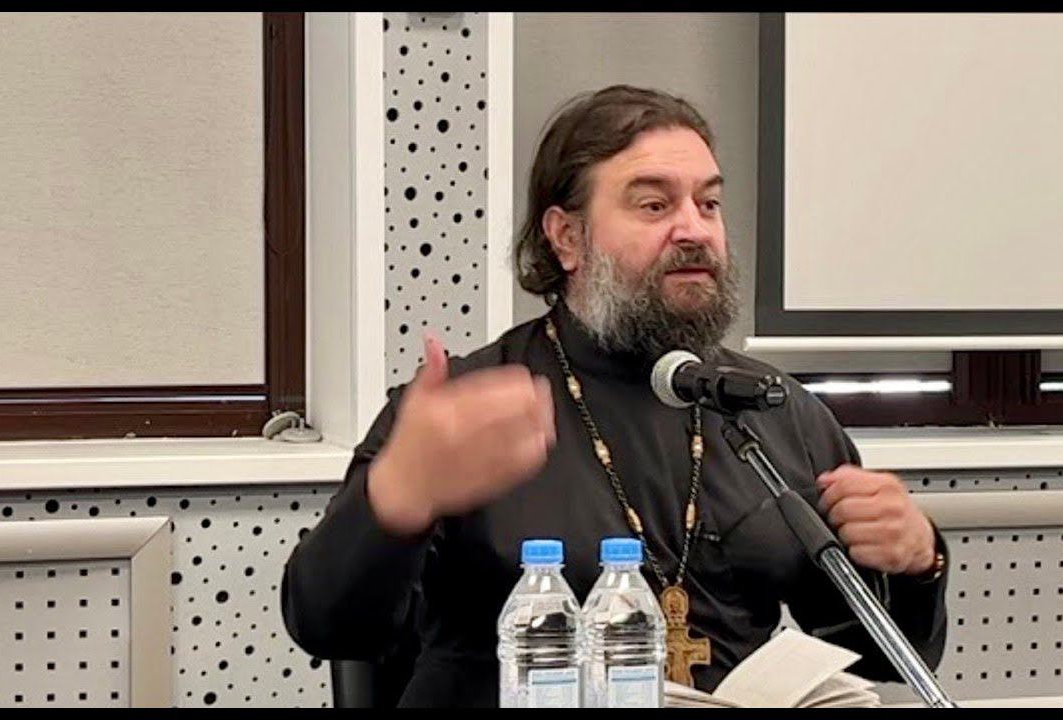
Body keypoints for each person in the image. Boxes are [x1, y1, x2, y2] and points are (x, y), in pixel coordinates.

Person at [281, 84, 949, 708]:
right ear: (567, 237)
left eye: (708, 204)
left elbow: (877, 657)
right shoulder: (469, 412)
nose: (694, 229)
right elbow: (327, 626)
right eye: (654, 205)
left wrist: (917, 560)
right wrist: (396, 497)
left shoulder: (772, 410)